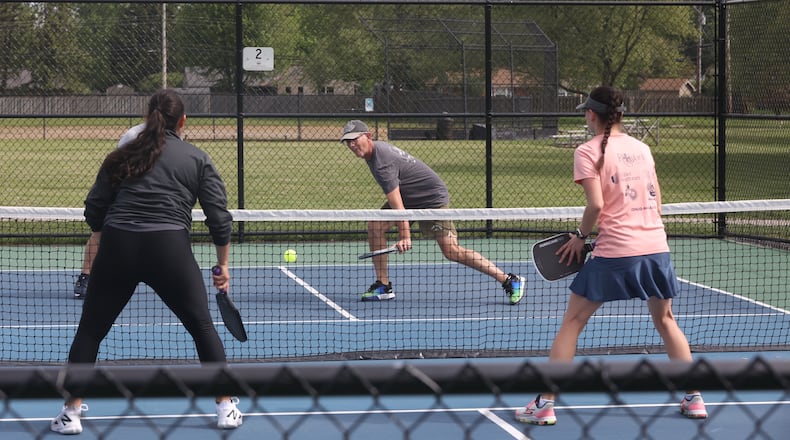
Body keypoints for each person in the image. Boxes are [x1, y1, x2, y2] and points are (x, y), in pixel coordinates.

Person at [51, 90, 242, 434]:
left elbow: (94, 209)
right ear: (183, 122)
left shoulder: (121, 155)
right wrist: (222, 266)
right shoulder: (197, 158)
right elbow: (219, 218)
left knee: (91, 330)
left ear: (147, 116)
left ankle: (70, 414)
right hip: (169, 249)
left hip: (118, 247)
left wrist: (109, 233)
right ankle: (226, 407)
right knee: (202, 327)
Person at [514, 86, 706, 425]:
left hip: (616, 251)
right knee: (666, 321)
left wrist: (581, 236)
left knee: (572, 323)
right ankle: (694, 398)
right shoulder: (643, 148)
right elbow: (656, 204)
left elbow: (597, 205)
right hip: (656, 248)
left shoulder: (587, 151)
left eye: (586, 112)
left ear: (591, 114)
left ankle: (545, 404)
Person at [340, 120, 525, 304]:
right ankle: (383, 285)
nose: (351, 145)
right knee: (375, 226)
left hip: (431, 199)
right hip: (410, 197)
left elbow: (398, 209)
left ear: (368, 136)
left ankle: (508, 280)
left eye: (354, 139)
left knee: (451, 251)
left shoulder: (382, 162)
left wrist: (405, 236)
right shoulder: (373, 154)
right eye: (348, 142)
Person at [73, 122, 146, 299]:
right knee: (99, 234)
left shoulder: (172, 135)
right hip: (120, 185)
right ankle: (86, 277)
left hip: (147, 190)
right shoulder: (133, 136)